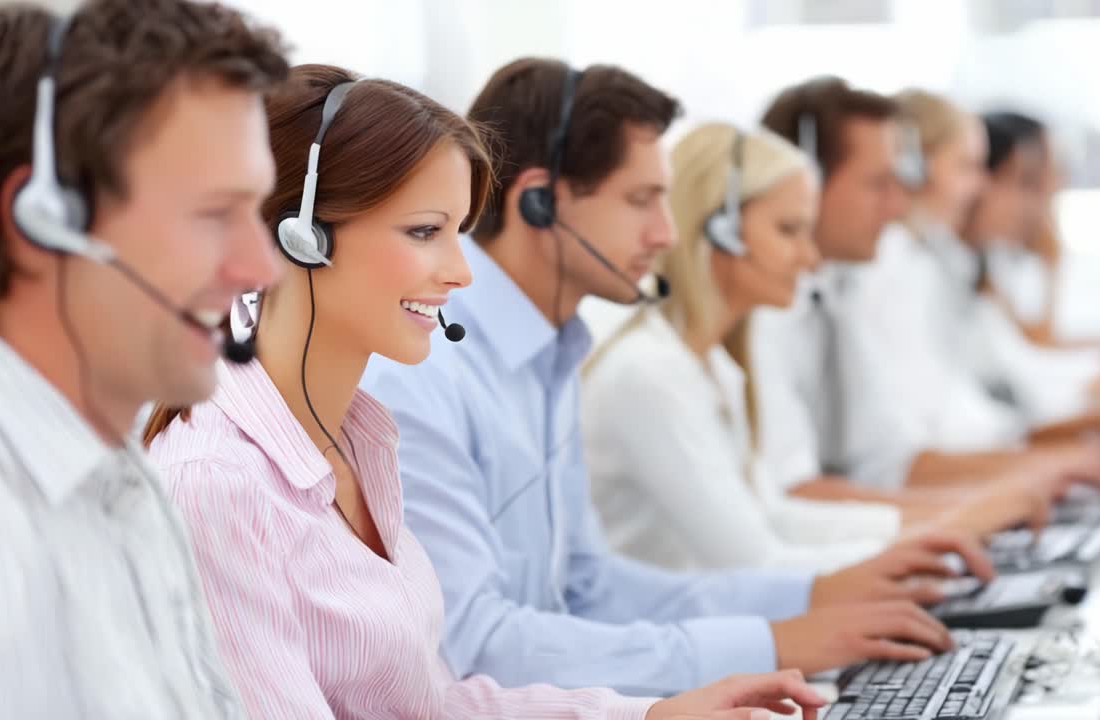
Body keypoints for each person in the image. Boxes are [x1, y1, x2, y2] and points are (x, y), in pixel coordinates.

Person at [144, 63, 827, 720]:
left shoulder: (358, 440)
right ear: (302, 237)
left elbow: (434, 705)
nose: (460, 273)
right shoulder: (217, 486)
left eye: (458, 233)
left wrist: (650, 713)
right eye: (425, 233)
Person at [362, 58, 990, 698]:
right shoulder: (424, 372)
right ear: (541, 202)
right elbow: (477, 644)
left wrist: (809, 600)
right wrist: (773, 640)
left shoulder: (549, 361)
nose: (665, 233)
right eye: (640, 201)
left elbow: (590, 586)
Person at [0, 1, 288, 717]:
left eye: (258, 212)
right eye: (213, 213)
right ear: (44, 218)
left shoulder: (114, 471)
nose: (264, 267)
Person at [581, 123, 1050, 576]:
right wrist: (914, 547)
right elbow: (754, 562)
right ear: (717, 230)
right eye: (788, 230)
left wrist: (936, 528)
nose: (809, 257)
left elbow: (773, 516)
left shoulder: (716, 367)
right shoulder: (649, 375)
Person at [751, 78, 1100, 503]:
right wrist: (995, 496)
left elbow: (888, 455)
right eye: (877, 183)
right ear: (806, 182)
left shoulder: (837, 291)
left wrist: (1025, 477)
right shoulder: (769, 309)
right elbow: (797, 492)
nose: (899, 204)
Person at [849, 89, 1100, 463]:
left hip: (959, 452)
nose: (980, 185)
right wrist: (1031, 445)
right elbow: (931, 414)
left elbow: (994, 375)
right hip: (933, 465)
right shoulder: (897, 266)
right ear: (915, 168)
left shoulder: (934, 260)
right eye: (966, 166)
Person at [971, 111, 1100, 402]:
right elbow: (1028, 357)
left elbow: (1032, 346)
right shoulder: (968, 265)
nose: (1053, 185)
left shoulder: (992, 258)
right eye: (1030, 179)